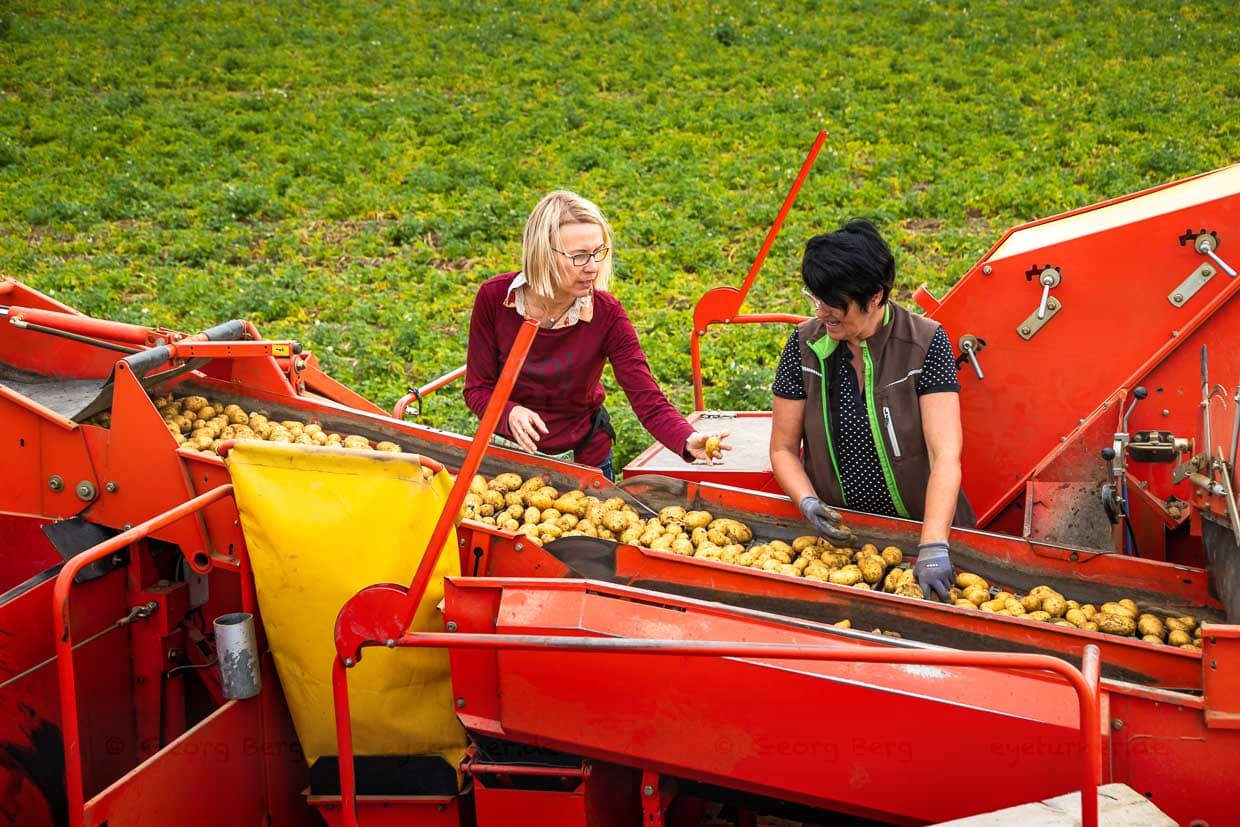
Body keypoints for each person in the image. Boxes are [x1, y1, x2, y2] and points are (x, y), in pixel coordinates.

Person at [768, 219, 974, 600]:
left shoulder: (926, 342)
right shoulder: (802, 345)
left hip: (924, 532)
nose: (822, 312)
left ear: (875, 296)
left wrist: (932, 546)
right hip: (844, 543)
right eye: (816, 299)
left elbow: (945, 454)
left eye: (835, 303)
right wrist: (807, 501)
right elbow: (782, 448)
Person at [464, 190, 731, 480]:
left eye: (598, 252)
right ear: (543, 254)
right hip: (508, 460)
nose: (592, 267)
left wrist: (687, 439)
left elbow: (647, 399)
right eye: (579, 256)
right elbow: (477, 388)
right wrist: (509, 413)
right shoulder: (495, 299)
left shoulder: (606, 315)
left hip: (585, 460)